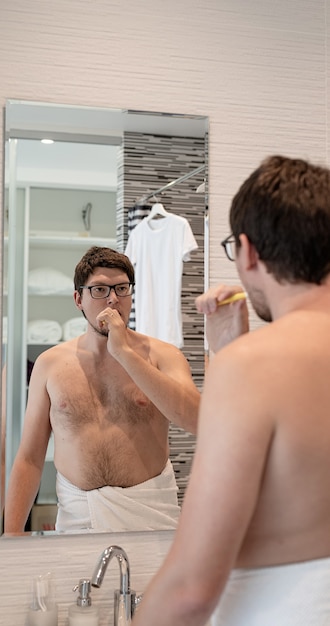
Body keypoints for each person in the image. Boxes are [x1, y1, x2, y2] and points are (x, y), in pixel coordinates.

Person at [132, 155, 330, 626]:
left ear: (248, 251)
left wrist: (236, 362)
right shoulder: (249, 362)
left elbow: (190, 590)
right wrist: (229, 350)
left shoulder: (253, 367)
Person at [4, 246, 200, 534]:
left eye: (122, 288)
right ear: (78, 299)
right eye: (99, 290)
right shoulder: (50, 364)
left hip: (151, 515)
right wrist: (11, 535)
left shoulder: (163, 356)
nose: (112, 299)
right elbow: (30, 458)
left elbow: (195, 419)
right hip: (77, 517)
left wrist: (125, 354)